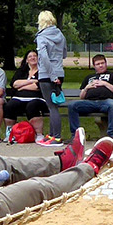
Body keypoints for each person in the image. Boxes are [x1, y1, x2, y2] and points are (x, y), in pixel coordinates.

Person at [68, 53, 113, 139]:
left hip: (106, 102)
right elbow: (81, 97)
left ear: (106, 63)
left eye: (102, 63)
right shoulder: (89, 77)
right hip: (89, 103)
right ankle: (75, 136)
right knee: (72, 105)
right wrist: (86, 88)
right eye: (98, 64)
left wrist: (105, 83)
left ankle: (112, 135)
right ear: (94, 66)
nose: (101, 65)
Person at [35, 10, 67, 141]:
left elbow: (43, 57)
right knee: (54, 105)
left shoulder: (41, 37)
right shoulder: (61, 35)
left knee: (51, 107)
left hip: (46, 74)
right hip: (59, 72)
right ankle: (52, 134)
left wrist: (52, 76)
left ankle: (56, 137)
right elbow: (64, 54)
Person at [5, 50, 50, 141]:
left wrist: (22, 87)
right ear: (26, 60)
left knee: (32, 106)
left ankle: (39, 134)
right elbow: (14, 84)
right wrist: (31, 81)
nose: (32, 58)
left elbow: (38, 86)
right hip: (19, 98)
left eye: (35, 56)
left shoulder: (43, 72)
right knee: (9, 106)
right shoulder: (21, 71)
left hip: (38, 99)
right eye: (30, 56)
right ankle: (10, 133)